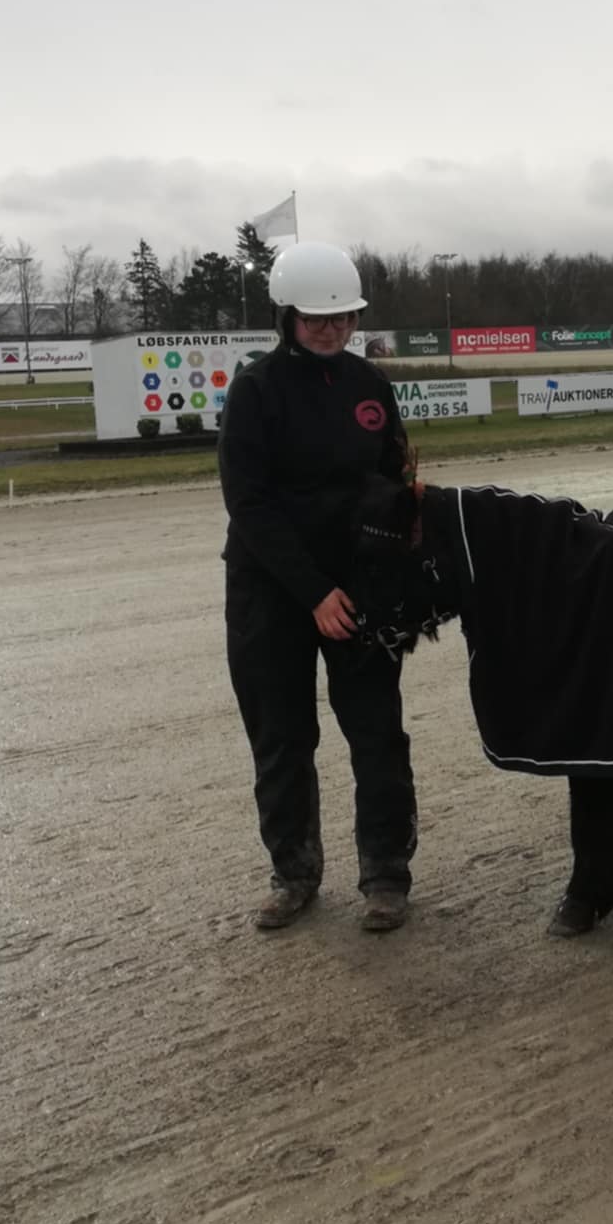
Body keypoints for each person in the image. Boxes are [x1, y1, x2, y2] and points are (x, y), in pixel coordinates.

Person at [219, 240, 418, 933]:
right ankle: (294, 873)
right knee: (281, 739)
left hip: (357, 588)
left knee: (378, 736)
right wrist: (312, 592)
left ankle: (387, 875)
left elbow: (395, 487)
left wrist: (390, 575)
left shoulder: (371, 387)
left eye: (344, 318)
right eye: (317, 320)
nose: (332, 330)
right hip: (271, 590)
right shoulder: (256, 391)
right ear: (288, 317)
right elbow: (250, 505)